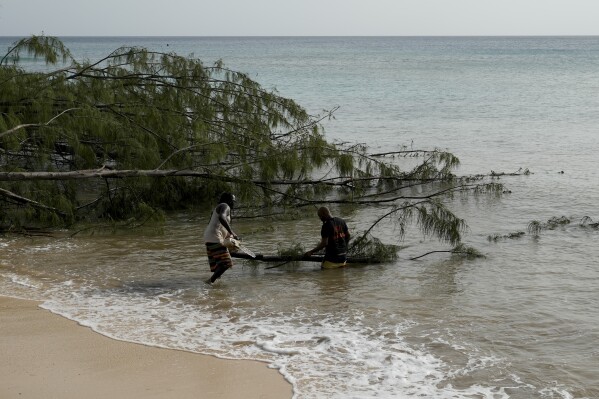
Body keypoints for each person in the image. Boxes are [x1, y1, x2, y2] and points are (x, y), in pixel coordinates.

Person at [203, 192, 239, 284]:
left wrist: (230, 236)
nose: (233, 203)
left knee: (218, 267)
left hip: (209, 237)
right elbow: (221, 218)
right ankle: (209, 282)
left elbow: (218, 226)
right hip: (215, 237)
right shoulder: (225, 206)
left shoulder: (219, 207)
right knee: (226, 263)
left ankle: (215, 293)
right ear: (227, 200)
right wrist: (231, 232)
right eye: (232, 201)